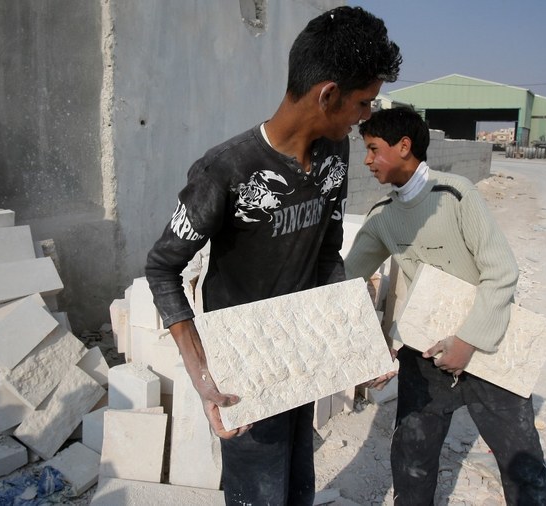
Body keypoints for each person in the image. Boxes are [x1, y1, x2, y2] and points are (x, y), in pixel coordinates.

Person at [145, 6, 401, 505]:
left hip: (301, 351)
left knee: (296, 486)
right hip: (244, 367)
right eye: (364, 103)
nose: (368, 116)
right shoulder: (226, 170)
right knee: (258, 493)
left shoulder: (333, 155)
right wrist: (204, 376)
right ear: (328, 95)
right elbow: (161, 267)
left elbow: (329, 251)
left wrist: (357, 338)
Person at [344, 107, 546, 505]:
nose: (366, 160)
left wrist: (469, 341)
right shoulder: (382, 217)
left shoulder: (456, 195)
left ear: (404, 147)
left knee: (522, 467)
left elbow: (501, 272)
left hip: (490, 350)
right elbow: (346, 284)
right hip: (425, 357)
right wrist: (369, 349)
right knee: (411, 462)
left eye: (373, 149)